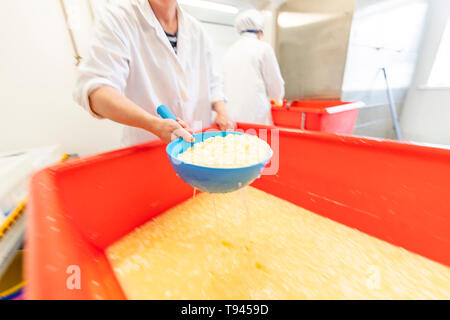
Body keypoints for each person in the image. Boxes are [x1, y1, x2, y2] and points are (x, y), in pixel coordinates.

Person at [73, 0, 233, 146]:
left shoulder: (197, 30)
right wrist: (153, 124)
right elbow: (96, 91)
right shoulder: (119, 19)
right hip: (149, 147)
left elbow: (213, 81)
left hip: (199, 145)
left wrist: (221, 111)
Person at [221, 9, 285, 126]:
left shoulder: (230, 50)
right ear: (260, 32)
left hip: (231, 116)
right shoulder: (263, 48)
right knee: (257, 143)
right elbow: (275, 86)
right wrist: (277, 97)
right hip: (255, 117)